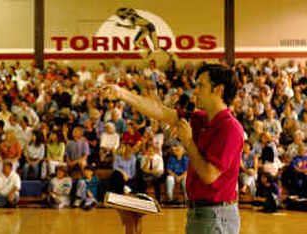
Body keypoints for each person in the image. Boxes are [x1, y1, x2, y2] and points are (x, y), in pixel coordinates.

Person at [103, 64, 243, 234]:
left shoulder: (230, 128)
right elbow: (160, 111)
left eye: (201, 85)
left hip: (216, 215)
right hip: (198, 211)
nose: (196, 91)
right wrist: (122, 93)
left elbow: (209, 175)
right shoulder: (200, 119)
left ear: (219, 90)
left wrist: (188, 142)